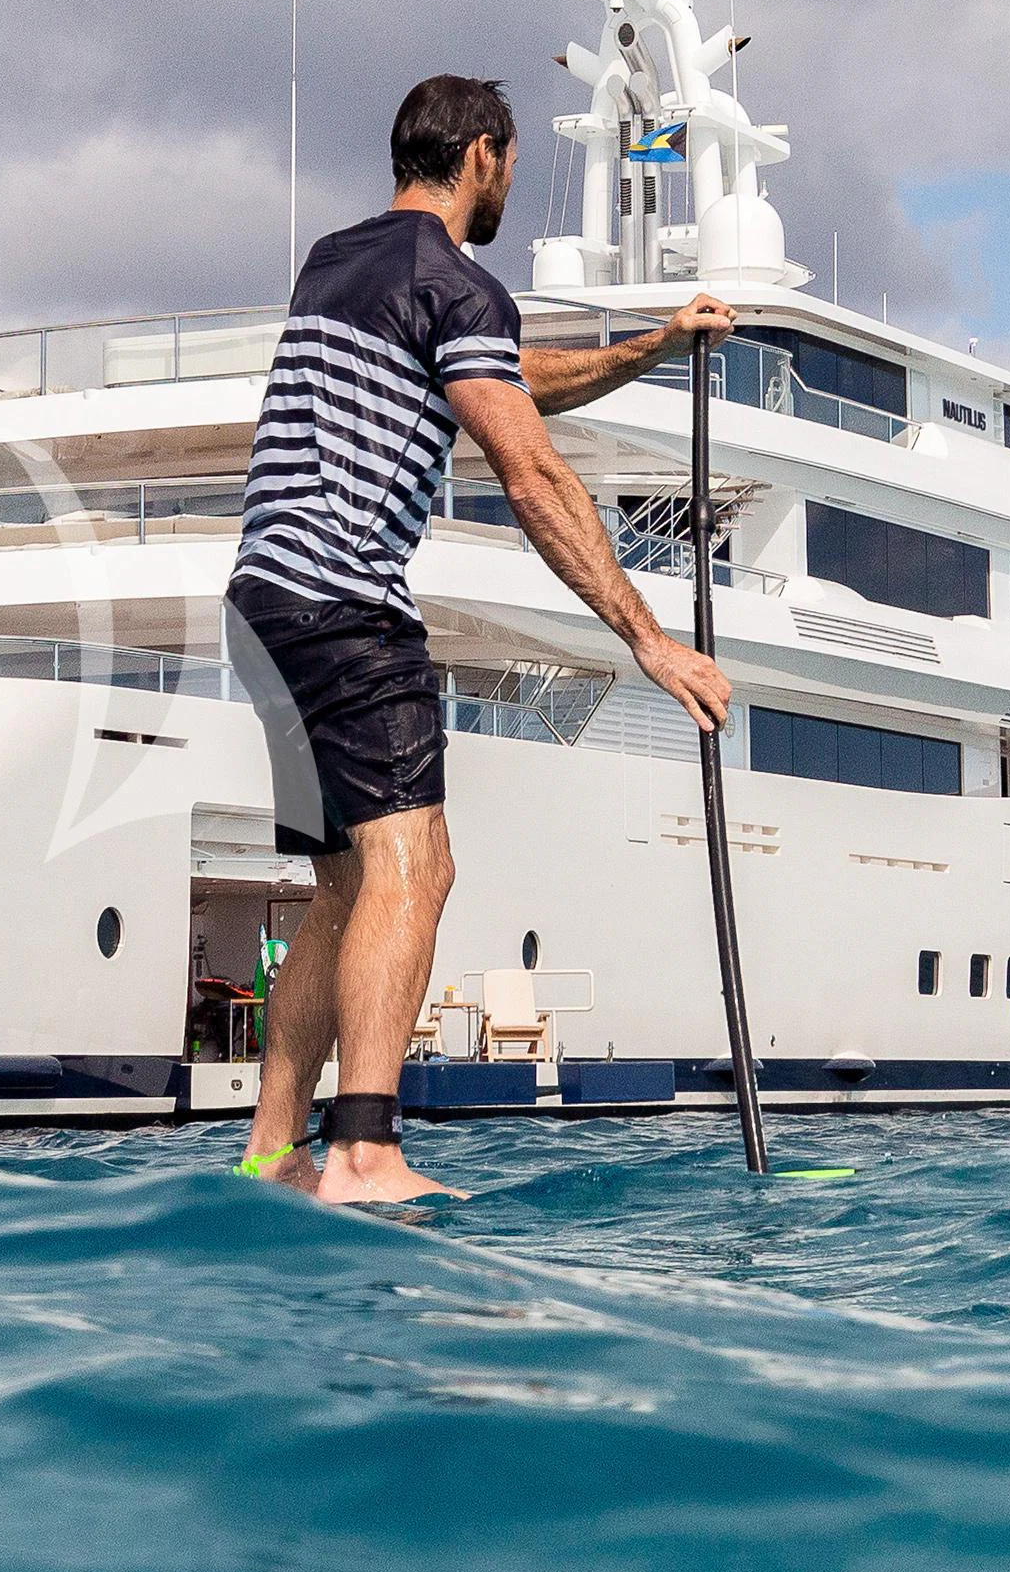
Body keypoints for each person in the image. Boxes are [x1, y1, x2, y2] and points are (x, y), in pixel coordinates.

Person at [227, 73, 737, 1202]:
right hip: (350, 607)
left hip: (262, 605)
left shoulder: (340, 260)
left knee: (346, 888)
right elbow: (530, 469)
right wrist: (649, 641)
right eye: (506, 165)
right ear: (486, 155)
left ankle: (274, 1150)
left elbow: (503, 377)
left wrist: (649, 346)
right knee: (419, 863)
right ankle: (365, 1148)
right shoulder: (459, 285)